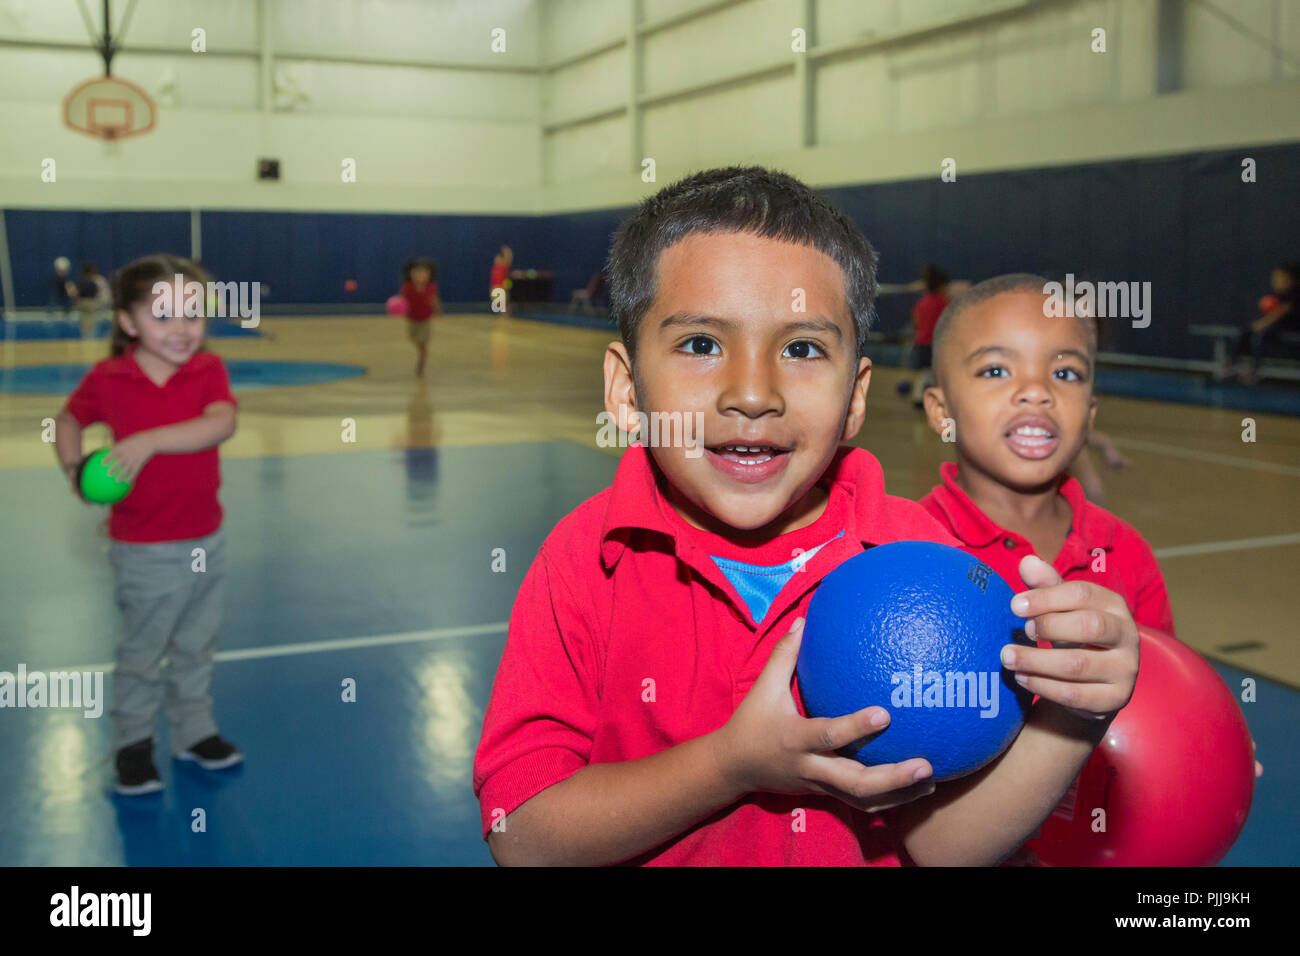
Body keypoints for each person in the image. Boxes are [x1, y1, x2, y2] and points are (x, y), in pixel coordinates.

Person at [473, 166, 1141, 867]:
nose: (754, 392)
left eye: (802, 349)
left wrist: (1072, 717)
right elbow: (521, 837)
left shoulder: (921, 561)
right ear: (626, 390)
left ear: (856, 397)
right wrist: (727, 766)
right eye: (702, 344)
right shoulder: (586, 559)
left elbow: (943, 847)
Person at [915, 274, 1260, 863]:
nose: (1036, 392)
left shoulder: (1126, 552)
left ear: (1091, 410)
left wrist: (1209, 745)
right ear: (941, 411)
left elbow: (1161, 700)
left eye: (1066, 373)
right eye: (997, 370)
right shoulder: (910, 553)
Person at [53, 253, 243, 796]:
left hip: (208, 537)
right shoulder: (109, 378)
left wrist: (149, 440)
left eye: (193, 313)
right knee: (143, 651)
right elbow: (68, 419)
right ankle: (134, 745)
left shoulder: (208, 371)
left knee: (196, 644)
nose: (182, 328)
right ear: (128, 322)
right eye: (164, 316)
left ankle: (194, 732)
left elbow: (221, 423)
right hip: (144, 548)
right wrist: (75, 470)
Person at [1224, 262, 1299, 384]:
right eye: (1275, 278)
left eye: (1281, 278)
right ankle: (1231, 364)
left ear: (1292, 280)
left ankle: (1254, 370)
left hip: (1291, 329)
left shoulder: (1294, 295)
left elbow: (1279, 313)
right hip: (1275, 328)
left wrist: (1261, 324)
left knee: (1260, 335)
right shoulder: (1277, 295)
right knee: (1244, 331)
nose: (1276, 281)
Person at [399, 258, 441, 376]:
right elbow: (402, 300)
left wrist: (437, 310)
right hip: (412, 319)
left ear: (429, 274)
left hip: (425, 320)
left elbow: (434, 300)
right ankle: (422, 351)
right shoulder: (407, 287)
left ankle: (422, 360)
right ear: (410, 274)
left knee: (423, 341)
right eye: (416, 272)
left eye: (423, 273)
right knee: (413, 338)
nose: (420, 275)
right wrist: (399, 309)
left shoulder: (430, 287)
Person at [75, 262, 110, 339]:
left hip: (83, 302)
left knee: (84, 319)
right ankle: (90, 335)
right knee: (91, 319)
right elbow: (96, 293)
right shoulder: (93, 282)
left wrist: (76, 302)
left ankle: (86, 335)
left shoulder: (82, 282)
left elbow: (77, 293)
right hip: (91, 302)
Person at [50, 256, 76, 320]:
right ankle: (51, 312)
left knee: (66, 301)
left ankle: (67, 312)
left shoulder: (66, 280)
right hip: (58, 287)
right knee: (54, 299)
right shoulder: (57, 279)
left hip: (64, 289)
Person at [490, 245, 513, 315]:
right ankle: (503, 314)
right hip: (494, 288)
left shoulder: (504, 266)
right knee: (498, 308)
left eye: (498, 258)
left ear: (502, 260)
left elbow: (508, 259)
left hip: (501, 288)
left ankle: (506, 314)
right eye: (496, 258)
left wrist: (507, 251)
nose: (496, 259)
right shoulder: (495, 268)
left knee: (503, 306)